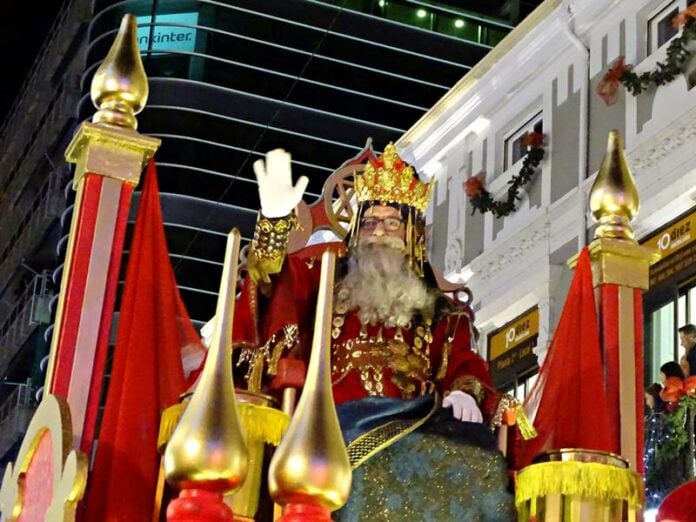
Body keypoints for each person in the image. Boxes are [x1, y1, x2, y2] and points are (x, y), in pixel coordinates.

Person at [221, 144, 515, 520]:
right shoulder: (324, 279)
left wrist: (464, 391)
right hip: (333, 416)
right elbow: (272, 287)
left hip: (418, 418)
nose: (379, 232)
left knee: (479, 463)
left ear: (411, 233)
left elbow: (463, 362)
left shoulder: (441, 310)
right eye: (371, 222)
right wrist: (275, 226)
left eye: (392, 223)